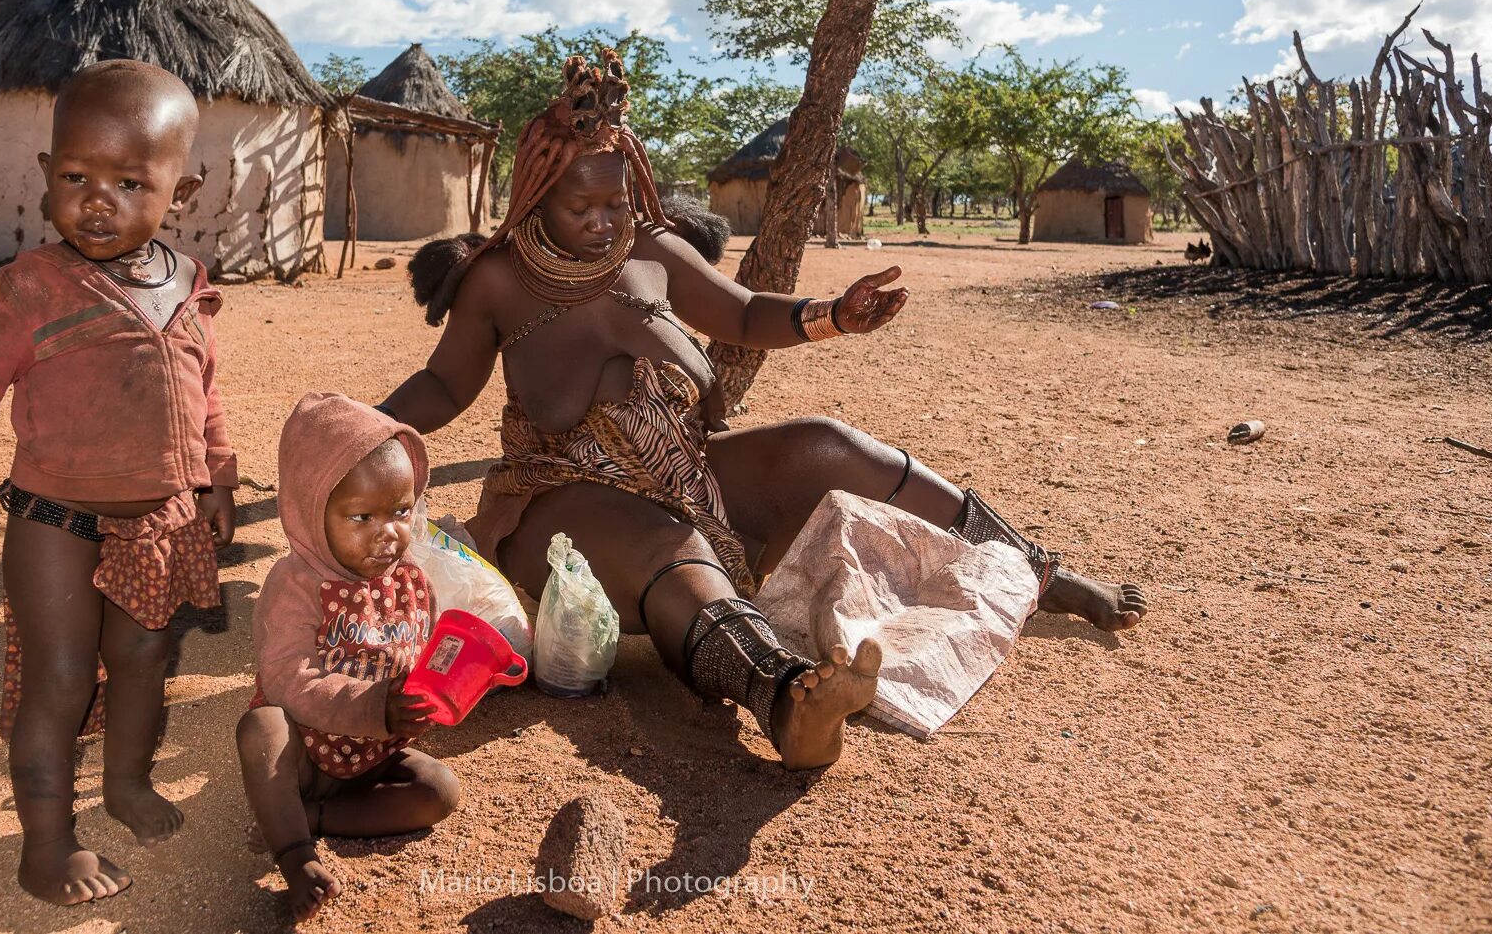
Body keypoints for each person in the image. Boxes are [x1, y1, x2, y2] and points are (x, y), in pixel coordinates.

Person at [381, 50, 1147, 773]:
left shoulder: (651, 248)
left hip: (685, 476)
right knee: (667, 545)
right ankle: (785, 701)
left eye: (617, 199)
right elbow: (445, 388)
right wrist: (366, 431)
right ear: (537, 194)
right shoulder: (498, 282)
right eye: (581, 204)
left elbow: (744, 313)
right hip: (556, 506)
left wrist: (834, 314)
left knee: (828, 444)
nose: (606, 219)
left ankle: (1037, 569)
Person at [0, 60, 238, 906]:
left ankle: (124, 782)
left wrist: (216, 480)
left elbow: (204, 390)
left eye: (129, 181)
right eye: (77, 176)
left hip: (159, 520)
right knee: (61, 675)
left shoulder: (188, 283)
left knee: (145, 656)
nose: (97, 199)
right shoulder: (30, 288)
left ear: (180, 190)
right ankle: (46, 842)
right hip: (54, 520)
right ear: (47, 175)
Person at [237, 393, 460, 924]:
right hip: (308, 754)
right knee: (261, 729)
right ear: (312, 510)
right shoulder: (295, 585)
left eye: (401, 511)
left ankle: (320, 818)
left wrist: (438, 690)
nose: (389, 532)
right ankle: (295, 853)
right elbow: (289, 677)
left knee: (439, 792)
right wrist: (373, 706)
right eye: (362, 516)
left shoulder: (411, 581)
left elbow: (421, 655)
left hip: (376, 752)